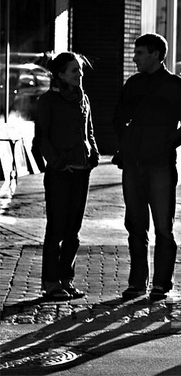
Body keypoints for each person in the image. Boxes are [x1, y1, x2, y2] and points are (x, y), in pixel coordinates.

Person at [113, 33, 181, 301]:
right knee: (135, 225)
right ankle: (137, 282)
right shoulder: (134, 83)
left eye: (139, 53)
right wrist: (127, 143)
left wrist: (166, 144)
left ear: (156, 54)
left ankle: (161, 282)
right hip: (133, 164)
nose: (134, 58)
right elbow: (118, 118)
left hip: (161, 164)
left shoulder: (175, 85)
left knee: (163, 225)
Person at [35, 52, 100, 300]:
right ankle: (51, 283)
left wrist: (93, 154)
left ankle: (66, 279)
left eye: (80, 70)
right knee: (57, 229)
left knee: (73, 230)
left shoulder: (83, 99)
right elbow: (43, 138)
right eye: (74, 70)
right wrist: (60, 164)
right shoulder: (48, 101)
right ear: (60, 74)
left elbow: (89, 130)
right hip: (60, 174)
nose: (79, 74)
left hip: (82, 172)